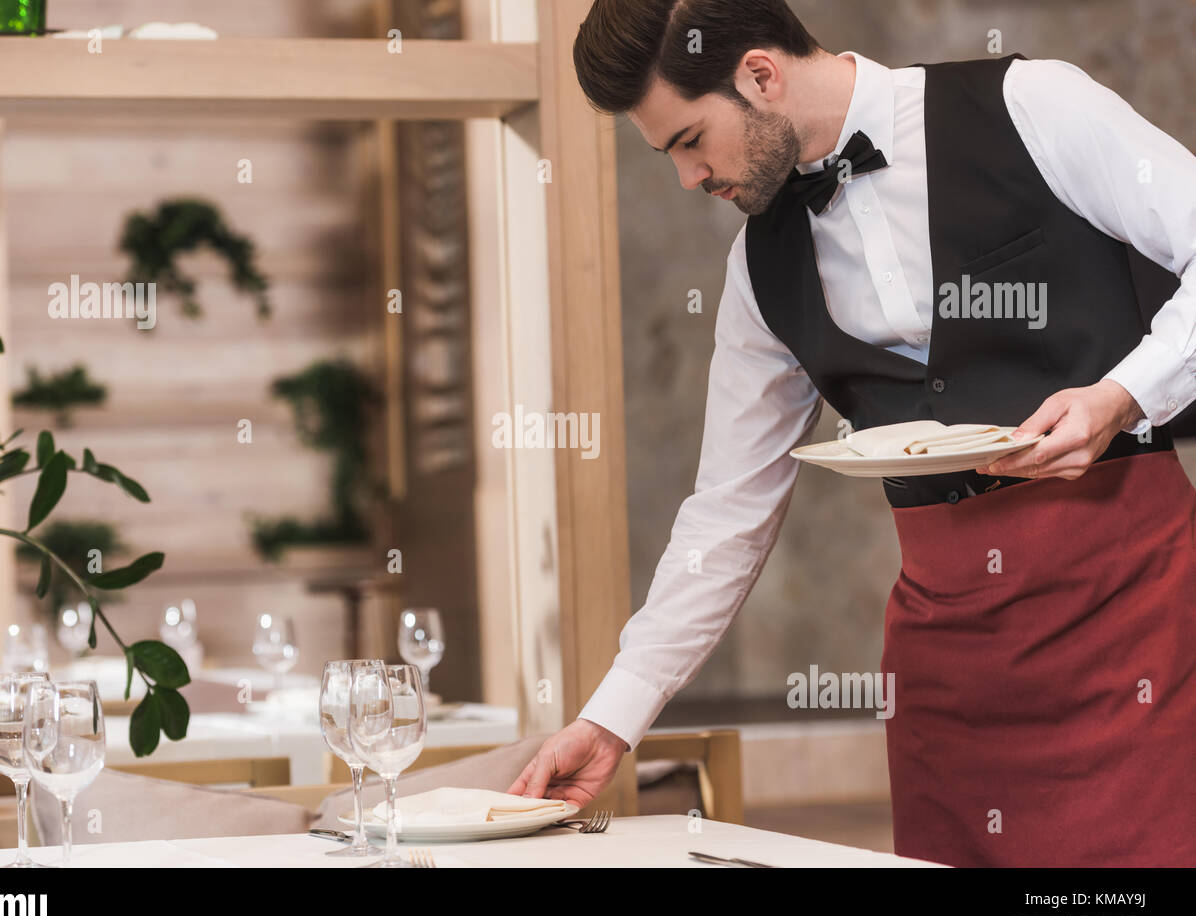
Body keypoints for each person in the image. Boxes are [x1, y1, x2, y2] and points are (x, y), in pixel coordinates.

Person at [509, 0, 1196, 867]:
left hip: (1136, 627)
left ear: (760, 74)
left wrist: (1126, 393)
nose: (689, 178)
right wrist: (612, 718)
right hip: (950, 674)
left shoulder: (1034, 105)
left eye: (689, 142)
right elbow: (728, 511)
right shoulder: (758, 272)